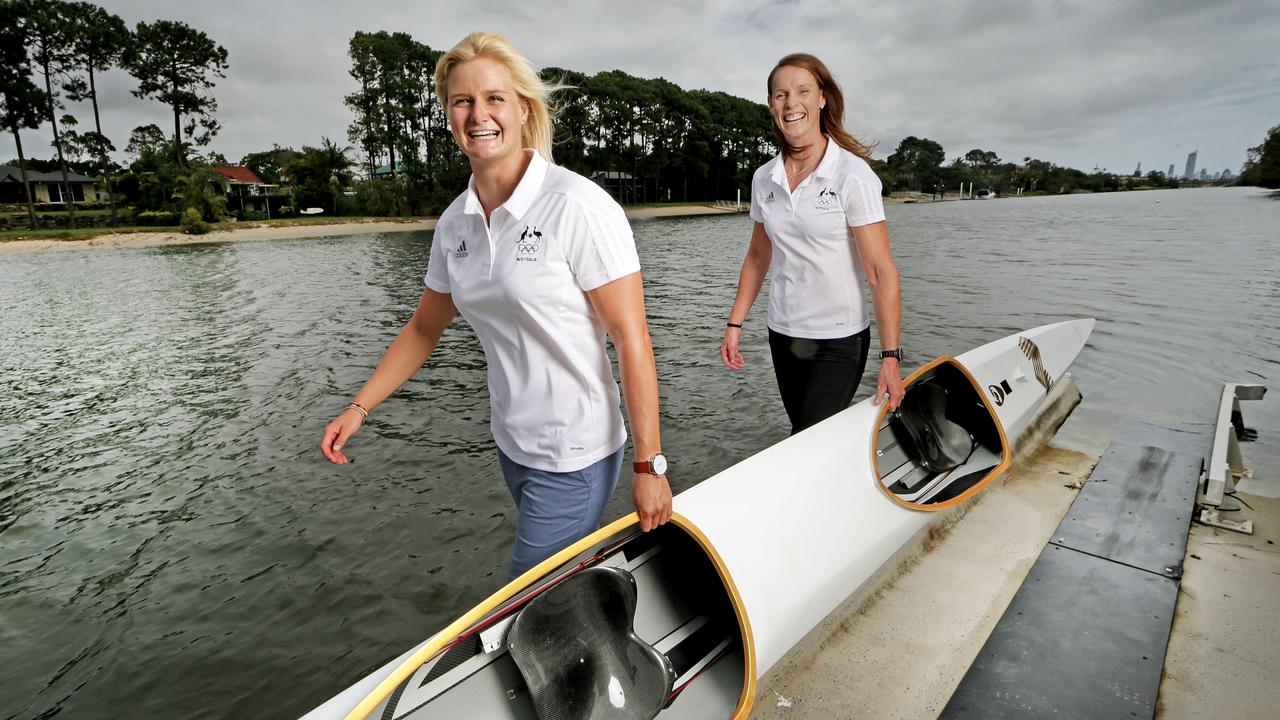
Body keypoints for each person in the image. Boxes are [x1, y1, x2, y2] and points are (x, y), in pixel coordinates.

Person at [321, 32, 672, 580]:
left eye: (494, 99)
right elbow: (423, 328)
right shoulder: (454, 222)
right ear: (448, 114)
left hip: (576, 451)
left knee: (521, 597)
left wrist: (650, 464)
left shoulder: (576, 206)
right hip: (513, 444)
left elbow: (633, 338)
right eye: (462, 101)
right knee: (557, 585)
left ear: (524, 110)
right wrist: (358, 407)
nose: (478, 114)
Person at [720, 53, 905, 435]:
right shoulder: (764, 178)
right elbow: (757, 256)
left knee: (806, 438)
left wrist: (890, 357)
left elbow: (880, 271)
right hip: (783, 333)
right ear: (771, 104)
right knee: (806, 433)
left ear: (822, 97)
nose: (791, 103)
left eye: (802, 91)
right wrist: (735, 322)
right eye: (780, 94)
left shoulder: (852, 175)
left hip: (838, 337)